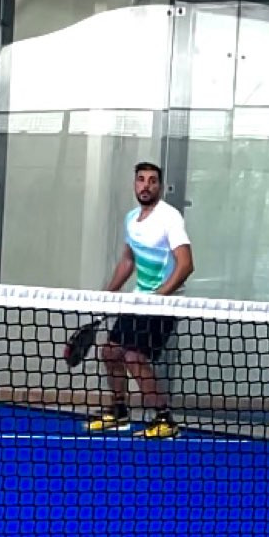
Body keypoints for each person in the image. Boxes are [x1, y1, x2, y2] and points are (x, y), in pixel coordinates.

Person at [87, 158, 193, 438]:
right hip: (137, 301)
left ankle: (165, 420)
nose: (146, 186)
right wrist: (108, 293)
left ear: (160, 187)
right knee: (110, 352)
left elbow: (186, 265)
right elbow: (128, 260)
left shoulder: (169, 217)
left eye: (152, 181)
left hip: (163, 304)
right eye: (141, 180)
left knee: (135, 357)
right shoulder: (132, 219)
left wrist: (159, 297)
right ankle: (119, 412)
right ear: (135, 184)